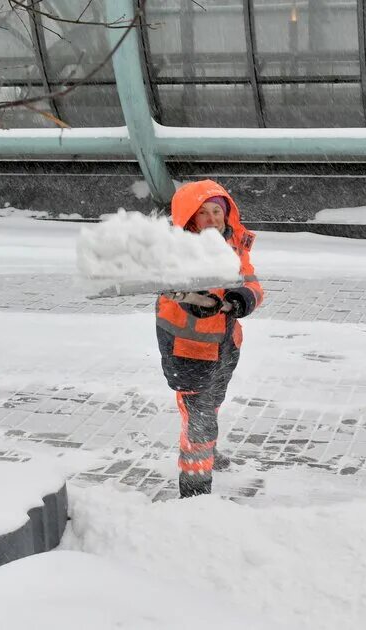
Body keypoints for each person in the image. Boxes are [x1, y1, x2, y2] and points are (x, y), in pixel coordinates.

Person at [156, 180, 264, 498]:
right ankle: (195, 488)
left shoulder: (234, 244)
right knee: (199, 419)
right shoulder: (176, 250)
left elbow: (253, 284)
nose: (212, 217)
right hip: (187, 350)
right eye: (202, 212)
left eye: (217, 210)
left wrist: (238, 299)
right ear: (189, 218)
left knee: (211, 405)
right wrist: (194, 301)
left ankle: (208, 452)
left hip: (225, 344)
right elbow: (172, 291)